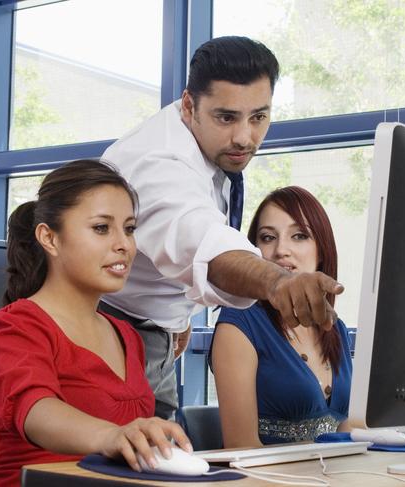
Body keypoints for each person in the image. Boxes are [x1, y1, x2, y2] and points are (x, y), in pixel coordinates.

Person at [100, 36, 343, 419]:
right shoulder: (158, 162)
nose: (245, 137)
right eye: (226, 117)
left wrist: (179, 315)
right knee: (122, 473)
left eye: (259, 117)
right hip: (109, 336)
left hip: (155, 330)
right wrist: (278, 283)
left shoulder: (210, 145)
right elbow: (203, 241)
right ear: (188, 106)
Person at [0, 160, 191, 487]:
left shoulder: (127, 336)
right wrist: (113, 436)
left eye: (129, 229)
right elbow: (37, 412)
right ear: (49, 238)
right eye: (102, 228)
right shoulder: (15, 328)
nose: (124, 245)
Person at [210, 186, 353, 447]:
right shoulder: (239, 324)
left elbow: (348, 431)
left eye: (298, 236)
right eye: (267, 238)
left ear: (321, 250)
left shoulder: (337, 329)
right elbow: (242, 448)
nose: (280, 250)